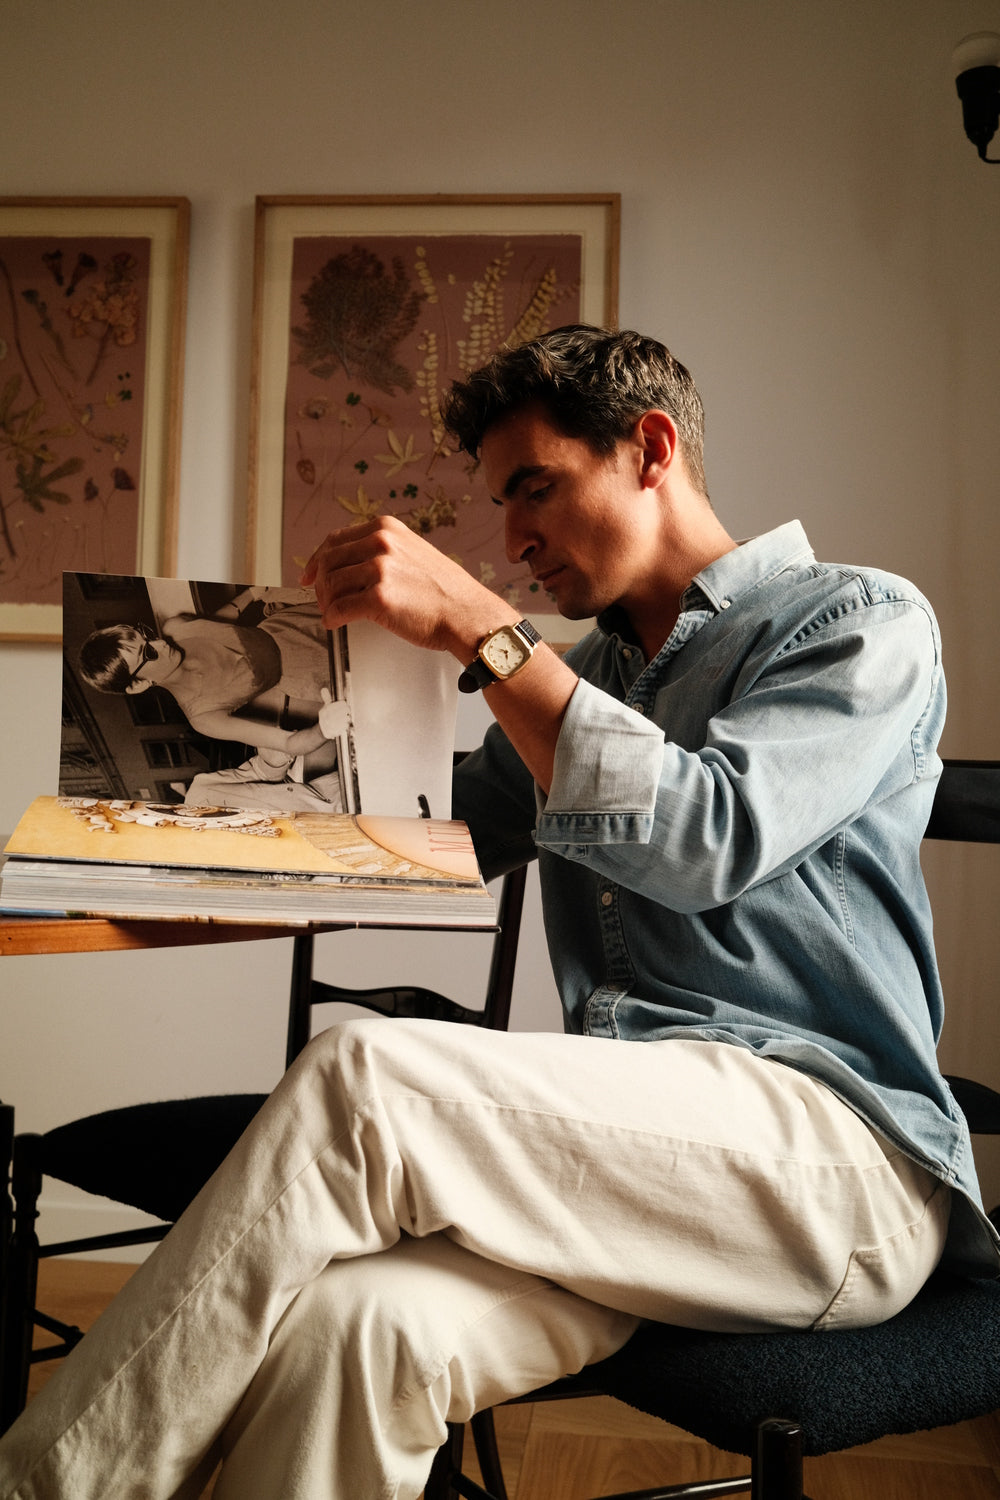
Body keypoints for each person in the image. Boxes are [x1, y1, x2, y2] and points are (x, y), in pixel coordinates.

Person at [2, 324, 997, 1500]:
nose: (514, 540)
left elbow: (704, 835)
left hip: (833, 1167)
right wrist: (153, 849)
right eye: (501, 503)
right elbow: (426, 842)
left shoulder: (854, 622)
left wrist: (484, 628)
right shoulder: (592, 674)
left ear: (650, 448)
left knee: (364, 1081)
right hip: (633, 1168)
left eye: (537, 487)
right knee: (358, 1331)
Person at [77, 585, 350, 763]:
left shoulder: (175, 627)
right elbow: (290, 744)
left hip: (298, 619)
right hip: (314, 672)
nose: (159, 643)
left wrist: (252, 594)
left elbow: (217, 623)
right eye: (148, 654)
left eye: (146, 636)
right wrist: (324, 728)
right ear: (138, 685)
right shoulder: (204, 717)